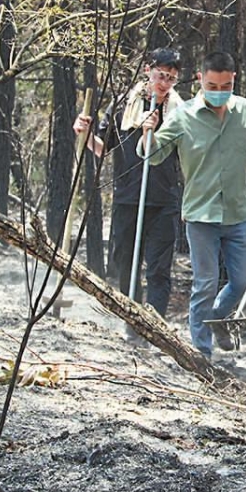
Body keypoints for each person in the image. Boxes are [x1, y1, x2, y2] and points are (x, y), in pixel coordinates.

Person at [139, 50, 246, 359]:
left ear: (233, 80)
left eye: (224, 85)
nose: (218, 91)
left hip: (238, 214)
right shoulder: (183, 115)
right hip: (201, 215)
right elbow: (154, 154)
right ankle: (201, 354)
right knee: (205, 283)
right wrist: (149, 133)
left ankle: (216, 317)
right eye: (211, 85)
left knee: (242, 281)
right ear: (201, 79)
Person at [72, 48, 184, 322]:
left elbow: (187, 152)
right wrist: (84, 133)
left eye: (171, 78)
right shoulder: (124, 104)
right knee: (125, 263)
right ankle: (132, 320)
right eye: (160, 75)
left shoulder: (181, 111)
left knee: (158, 268)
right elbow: (101, 148)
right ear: (148, 71)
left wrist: (156, 129)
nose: (164, 83)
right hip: (128, 196)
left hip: (164, 198)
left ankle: (156, 324)